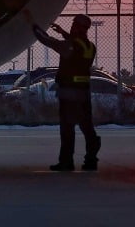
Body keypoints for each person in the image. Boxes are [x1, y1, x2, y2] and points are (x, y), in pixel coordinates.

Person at [32, 14, 101, 171]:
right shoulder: (90, 46)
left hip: (69, 93)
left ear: (77, 26)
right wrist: (62, 32)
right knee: (87, 127)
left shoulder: (69, 46)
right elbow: (74, 44)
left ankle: (66, 162)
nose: (72, 26)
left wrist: (34, 29)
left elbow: (49, 42)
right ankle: (91, 160)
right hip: (84, 94)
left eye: (73, 24)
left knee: (67, 129)